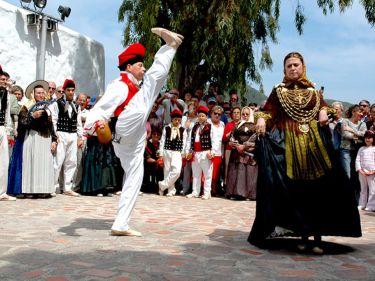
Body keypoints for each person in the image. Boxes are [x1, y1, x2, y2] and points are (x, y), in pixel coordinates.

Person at [248, 52, 361, 254]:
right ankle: (302, 235)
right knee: (297, 193)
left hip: (316, 150)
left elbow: (332, 111)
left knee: (318, 192)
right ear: (284, 70)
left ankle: (317, 238)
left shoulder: (315, 93)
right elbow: (268, 112)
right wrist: (262, 119)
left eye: (296, 65)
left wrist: (325, 111)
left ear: (303, 67)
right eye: (289, 65)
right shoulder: (278, 92)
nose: (293, 68)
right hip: (290, 150)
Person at [83, 28, 183, 236]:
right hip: (125, 125)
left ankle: (120, 224)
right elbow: (101, 108)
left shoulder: (134, 87)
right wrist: (93, 126)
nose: (143, 68)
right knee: (151, 87)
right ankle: (170, 47)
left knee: (135, 177)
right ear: (129, 67)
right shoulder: (120, 84)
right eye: (140, 65)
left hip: (131, 139)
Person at [21, 80, 57, 197]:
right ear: (33, 94)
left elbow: (51, 124)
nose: (40, 95)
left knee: (44, 164)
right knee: (32, 163)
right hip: (33, 137)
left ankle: (44, 189)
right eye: (38, 93)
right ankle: (31, 190)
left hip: (45, 138)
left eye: (42, 93)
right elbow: (22, 123)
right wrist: (32, 116)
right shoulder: (26, 107)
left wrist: (54, 140)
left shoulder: (48, 107)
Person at [49, 79, 83, 197]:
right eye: (68, 90)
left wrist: (80, 137)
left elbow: (79, 123)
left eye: (72, 90)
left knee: (71, 161)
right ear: (64, 91)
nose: (70, 92)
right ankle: (52, 186)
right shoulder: (56, 104)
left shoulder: (76, 106)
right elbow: (53, 121)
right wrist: (55, 136)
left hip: (72, 134)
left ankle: (67, 187)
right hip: (61, 134)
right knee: (58, 161)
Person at [226, 106, 257, 200]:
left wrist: (244, 146)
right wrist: (234, 144)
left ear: (250, 114)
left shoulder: (254, 126)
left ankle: (249, 194)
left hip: (249, 153)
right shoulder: (237, 125)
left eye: (247, 114)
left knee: (248, 173)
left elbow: (256, 139)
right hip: (237, 152)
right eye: (243, 114)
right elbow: (231, 136)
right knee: (237, 172)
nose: (245, 115)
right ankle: (235, 193)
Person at [185, 106, 216, 200]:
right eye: (199, 116)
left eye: (203, 116)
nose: (201, 117)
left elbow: (214, 141)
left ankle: (207, 193)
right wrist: (188, 151)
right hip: (195, 153)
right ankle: (195, 192)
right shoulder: (194, 127)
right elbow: (189, 141)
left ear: (206, 117)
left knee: (207, 174)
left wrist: (212, 152)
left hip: (205, 153)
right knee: (195, 174)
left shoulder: (210, 127)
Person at [158, 109, 187, 196]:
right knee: (167, 171)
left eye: (179, 120)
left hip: (177, 152)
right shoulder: (166, 128)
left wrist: (183, 153)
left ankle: (162, 185)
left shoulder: (183, 129)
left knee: (177, 171)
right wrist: (161, 154)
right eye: (175, 119)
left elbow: (184, 142)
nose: (177, 121)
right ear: (172, 119)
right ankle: (170, 190)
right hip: (167, 151)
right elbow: (162, 141)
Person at [0, 64, 16, 201]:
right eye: (2, 79)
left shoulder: (6, 94)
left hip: (1, 128)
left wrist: (9, 131)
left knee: (4, 161)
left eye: (5, 80)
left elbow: (6, 114)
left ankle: (1, 192)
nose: (4, 82)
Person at [356, 130, 375, 211]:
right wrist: (360, 170)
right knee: (363, 189)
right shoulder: (361, 149)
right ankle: (362, 204)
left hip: (372, 172)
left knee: (372, 189)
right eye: (366, 138)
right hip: (362, 172)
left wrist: (373, 171)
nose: (367, 139)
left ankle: (371, 205)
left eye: (370, 138)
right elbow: (357, 160)